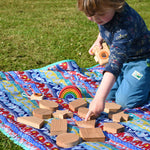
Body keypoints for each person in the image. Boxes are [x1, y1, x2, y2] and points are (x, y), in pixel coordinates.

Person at [77, 0, 150, 121]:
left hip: (141, 60)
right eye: (90, 15)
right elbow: (104, 27)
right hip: (122, 59)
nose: (95, 19)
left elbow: (114, 66)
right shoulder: (105, 12)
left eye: (100, 15)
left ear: (115, 4)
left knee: (125, 100)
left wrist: (98, 99)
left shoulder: (125, 25)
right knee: (109, 96)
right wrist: (99, 40)